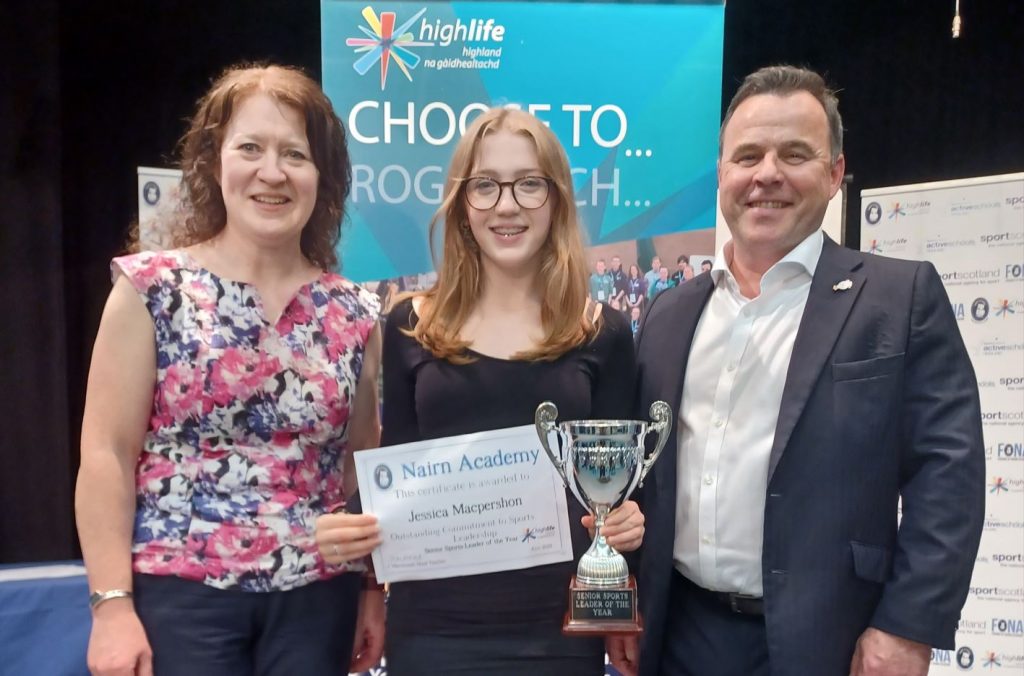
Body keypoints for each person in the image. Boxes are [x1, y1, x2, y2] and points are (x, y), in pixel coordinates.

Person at [619, 65, 985, 676]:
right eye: (748, 155)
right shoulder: (669, 312)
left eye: (795, 153)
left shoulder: (900, 297)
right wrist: (621, 597)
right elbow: (638, 476)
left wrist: (907, 625)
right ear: (722, 175)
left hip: (831, 642)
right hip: (677, 634)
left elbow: (948, 476)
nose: (767, 174)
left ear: (836, 173)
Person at [75, 64, 385, 676]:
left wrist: (373, 589)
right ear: (215, 163)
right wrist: (111, 608)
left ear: (321, 178)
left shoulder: (356, 312)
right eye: (251, 148)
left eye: (295, 154)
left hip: (317, 604)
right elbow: (105, 453)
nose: (272, 172)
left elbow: (361, 471)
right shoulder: (152, 290)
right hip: (178, 598)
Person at [317, 107, 643, 675]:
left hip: (559, 633)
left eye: (529, 184)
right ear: (462, 204)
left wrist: (626, 543)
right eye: (486, 186)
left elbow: (615, 498)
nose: (507, 205)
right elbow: (397, 471)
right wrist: (359, 555)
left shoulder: (604, 331)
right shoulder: (410, 326)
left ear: (557, 198)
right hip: (433, 627)